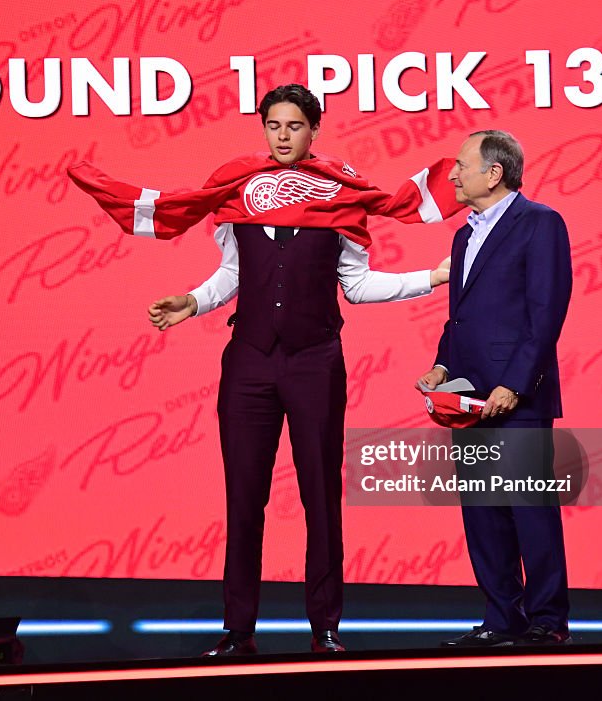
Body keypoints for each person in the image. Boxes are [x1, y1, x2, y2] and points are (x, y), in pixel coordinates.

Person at [135, 84, 457, 655]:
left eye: (294, 126)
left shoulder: (342, 201)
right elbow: (230, 277)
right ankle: (237, 631)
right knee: (244, 497)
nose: (283, 136)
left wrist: (426, 281)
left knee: (320, 495)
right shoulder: (239, 196)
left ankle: (325, 627)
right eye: (274, 126)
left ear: (315, 131)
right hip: (250, 364)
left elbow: (356, 286)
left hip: (315, 362)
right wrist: (191, 302)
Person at [418, 130, 573, 647]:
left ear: (494, 173)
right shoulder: (463, 236)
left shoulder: (541, 224)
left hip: (516, 396)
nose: (453, 175)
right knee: (484, 515)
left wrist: (515, 383)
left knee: (530, 512)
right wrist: (441, 367)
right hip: (466, 395)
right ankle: (501, 619)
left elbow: (545, 312)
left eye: (460, 166)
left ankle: (548, 621)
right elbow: (458, 316)